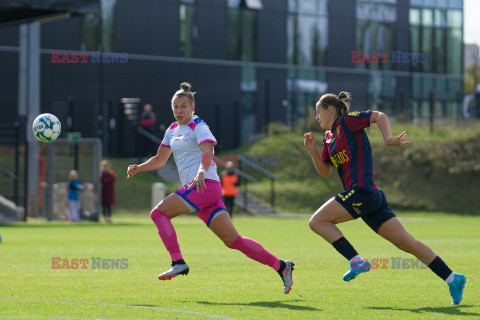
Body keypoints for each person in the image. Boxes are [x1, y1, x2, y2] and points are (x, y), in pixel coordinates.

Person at [127, 82, 294, 294]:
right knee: (234, 241)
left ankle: (177, 261)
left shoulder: (199, 126)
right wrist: (139, 168)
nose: (179, 110)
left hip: (205, 186)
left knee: (158, 213)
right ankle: (281, 266)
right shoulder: (172, 129)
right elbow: (160, 159)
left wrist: (201, 171)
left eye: (183, 106)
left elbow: (207, 151)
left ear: (192, 107)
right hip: (201, 191)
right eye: (176, 106)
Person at [304, 92, 466, 305]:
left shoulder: (348, 121)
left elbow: (379, 116)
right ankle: (453, 278)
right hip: (371, 197)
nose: (316, 117)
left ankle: (356, 260)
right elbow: (325, 171)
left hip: (362, 191)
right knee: (408, 243)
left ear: (330, 110)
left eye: (318, 112)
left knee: (317, 221)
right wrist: (313, 151)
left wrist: (388, 139)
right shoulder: (328, 138)